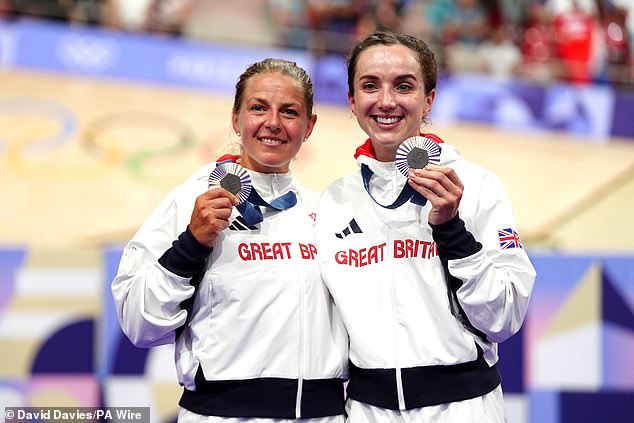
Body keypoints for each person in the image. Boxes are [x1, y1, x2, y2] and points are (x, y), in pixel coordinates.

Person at [314, 30, 536, 422]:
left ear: (428, 98)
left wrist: (453, 233)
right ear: (351, 100)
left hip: (463, 409)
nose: (386, 101)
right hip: (368, 411)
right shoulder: (335, 201)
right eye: (370, 86)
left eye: (404, 86)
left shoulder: (478, 186)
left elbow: (504, 317)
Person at [111, 58, 348, 422]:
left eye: (289, 111)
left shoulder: (326, 213)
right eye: (258, 108)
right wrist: (190, 244)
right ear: (236, 118)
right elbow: (138, 322)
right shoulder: (191, 201)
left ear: (309, 125)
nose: (273, 123)